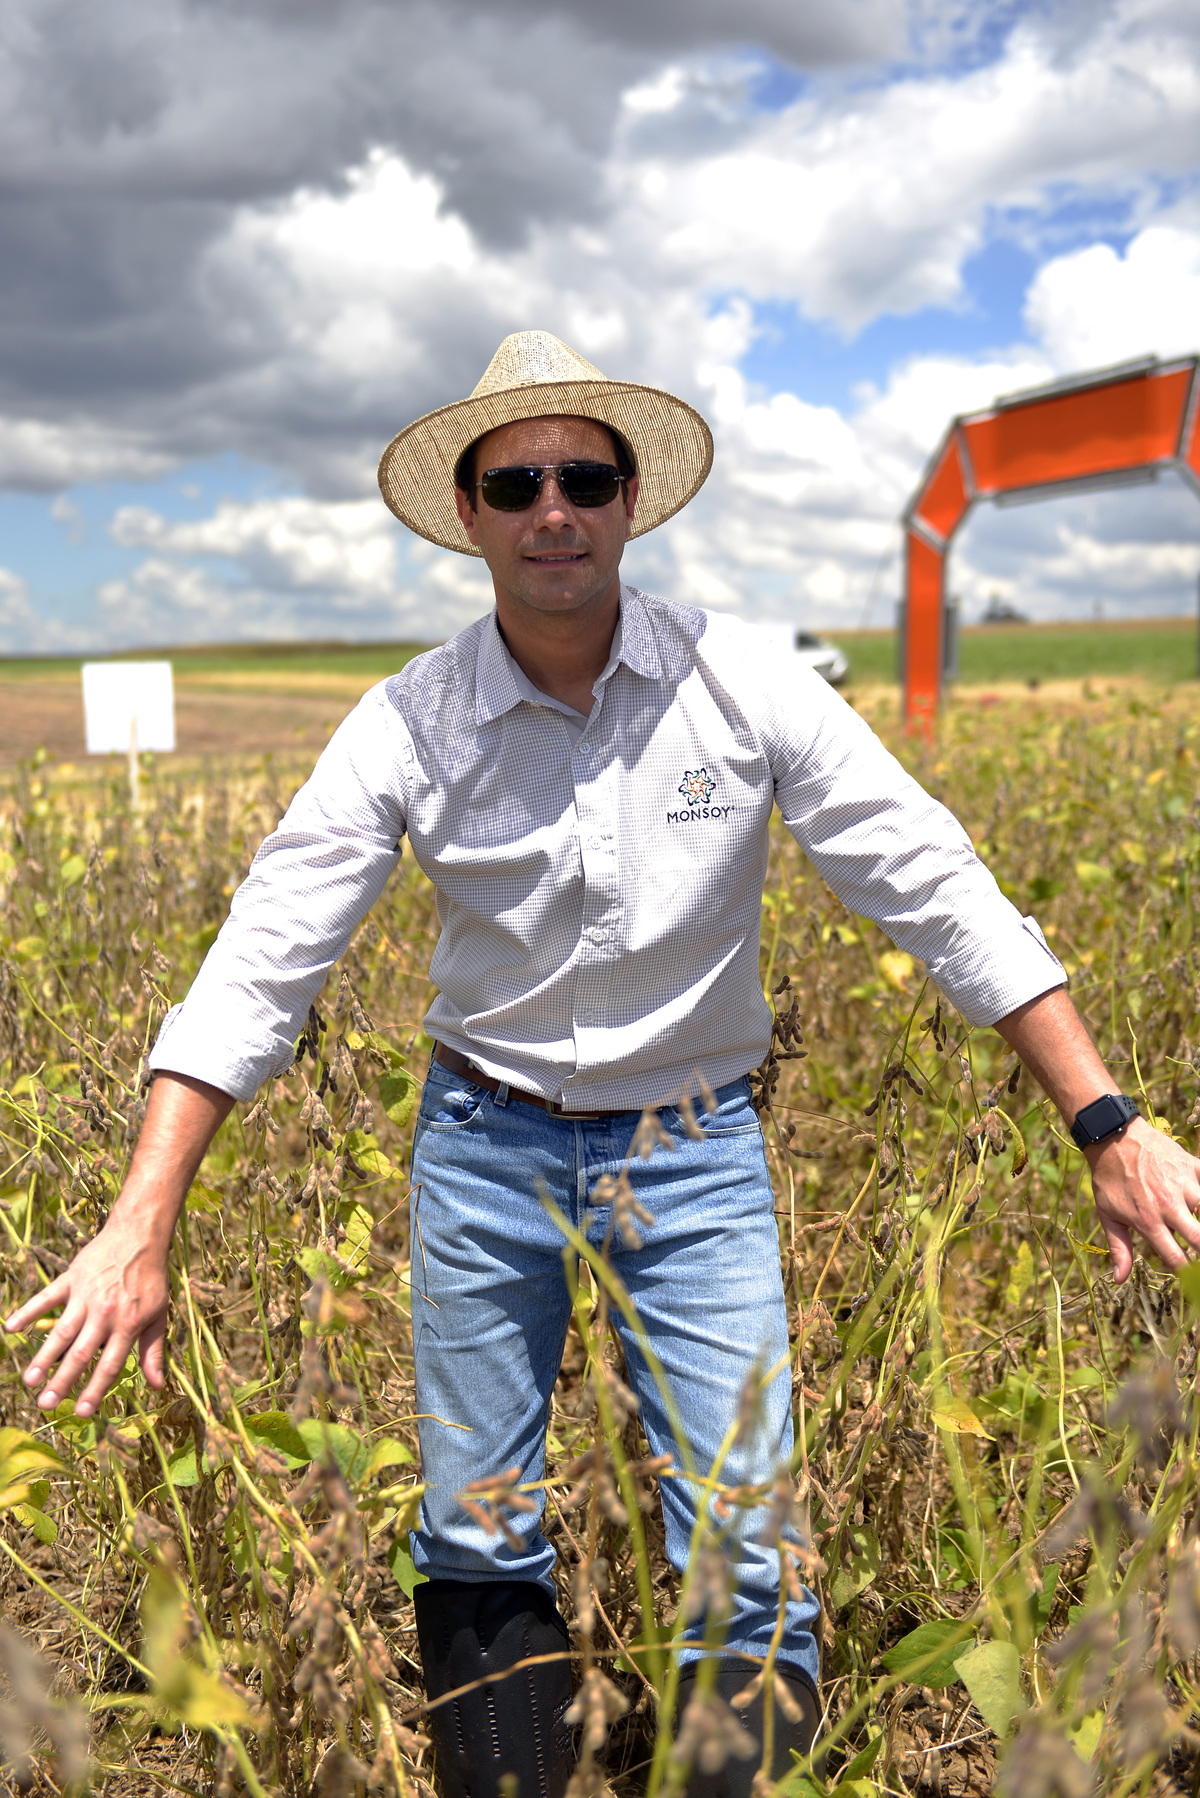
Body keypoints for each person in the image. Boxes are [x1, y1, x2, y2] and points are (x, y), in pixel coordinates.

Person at [8, 331, 1200, 1798]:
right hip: (484, 1143)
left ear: (634, 498)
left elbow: (930, 880)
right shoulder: (409, 722)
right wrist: (140, 1220)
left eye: (584, 476)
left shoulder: (741, 681)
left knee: (746, 1538)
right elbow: (265, 955)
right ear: (470, 515)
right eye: (517, 485)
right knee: (479, 1526)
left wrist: (1106, 1119)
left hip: (694, 1149)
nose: (553, 509)